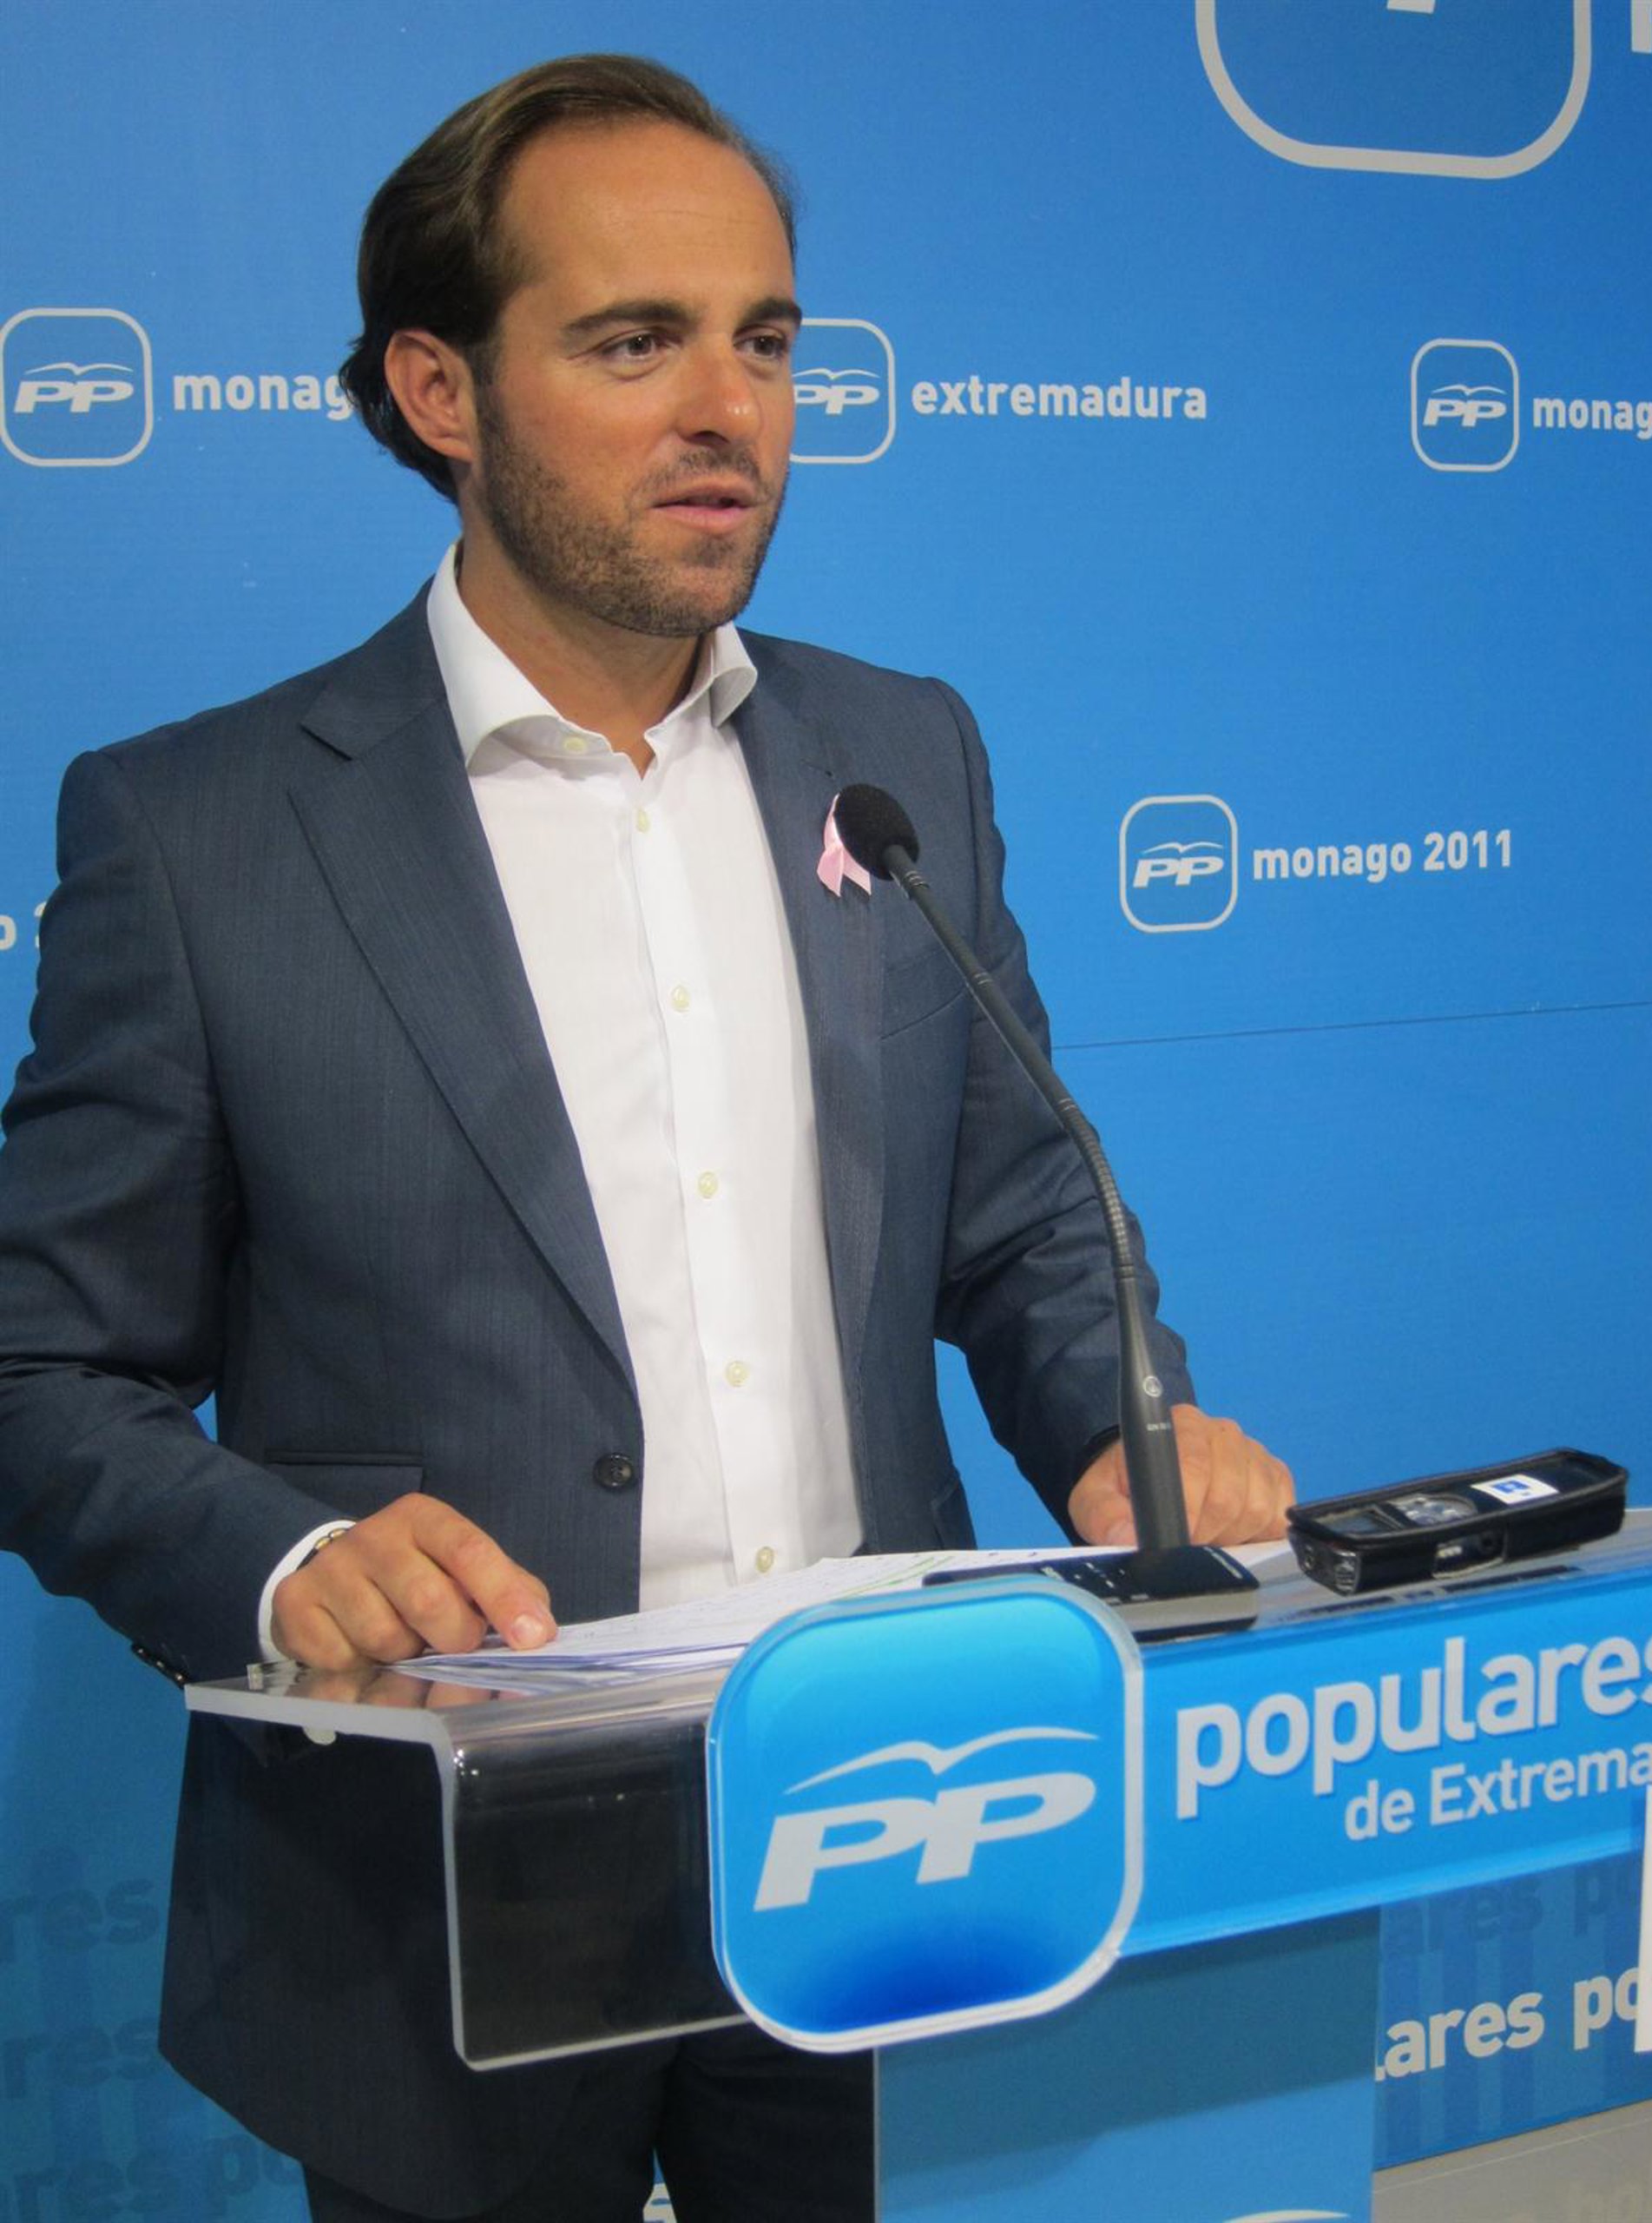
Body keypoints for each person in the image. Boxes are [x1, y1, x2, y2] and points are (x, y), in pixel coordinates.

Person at [0, 54, 1293, 2223]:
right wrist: (291, 1563)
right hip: (447, 1874)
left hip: (892, 1813)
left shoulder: (900, 750)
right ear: (438, 387)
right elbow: (41, 1364)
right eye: (633, 341)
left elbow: (1019, 1214)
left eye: (763, 339)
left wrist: (1118, 1424)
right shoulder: (199, 830)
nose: (729, 409)